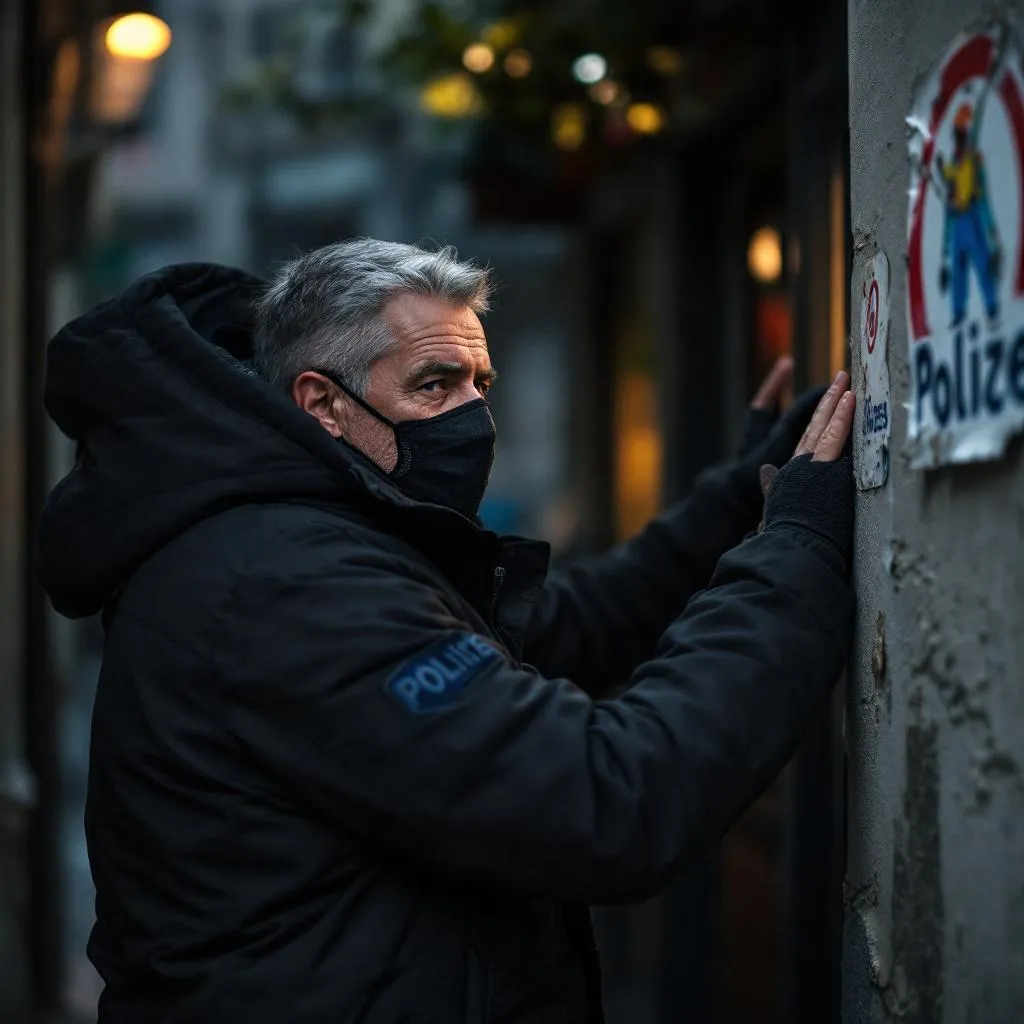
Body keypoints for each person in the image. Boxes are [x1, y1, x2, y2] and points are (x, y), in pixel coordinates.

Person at [39, 240, 855, 1024]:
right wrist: (798, 553)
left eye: (480, 381)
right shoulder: (290, 584)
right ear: (321, 403)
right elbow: (609, 797)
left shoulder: (323, 539)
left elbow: (572, 627)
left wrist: (739, 507)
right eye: (435, 384)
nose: (474, 416)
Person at [937, 100, 1002, 327]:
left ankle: (992, 308)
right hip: (958, 222)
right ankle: (958, 313)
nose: (957, 138)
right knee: (958, 271)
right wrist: (944, 250)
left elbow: (983, 201)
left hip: (973, 217)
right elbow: (947, 205)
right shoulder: (953, 165)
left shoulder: (974, 162)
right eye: (956, 134)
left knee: (983, 264)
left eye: (960, 133)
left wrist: (992, 233)